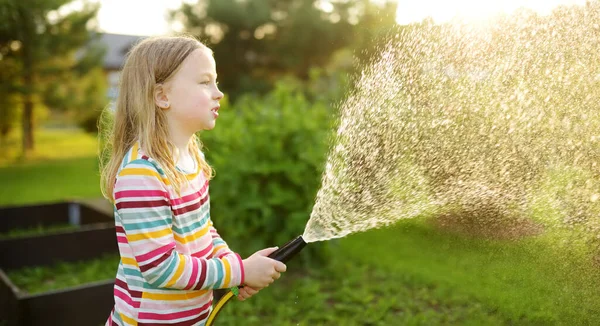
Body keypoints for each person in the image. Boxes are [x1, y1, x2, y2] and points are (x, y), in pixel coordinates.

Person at [100, 35, 287, 326]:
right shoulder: (142, 174)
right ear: (162, 96)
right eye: (204, 82)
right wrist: (238, 271)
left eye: (216, 82)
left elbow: (203, 230)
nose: (218, 93)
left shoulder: (191, 157)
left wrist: (232, 264)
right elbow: (161, 268)